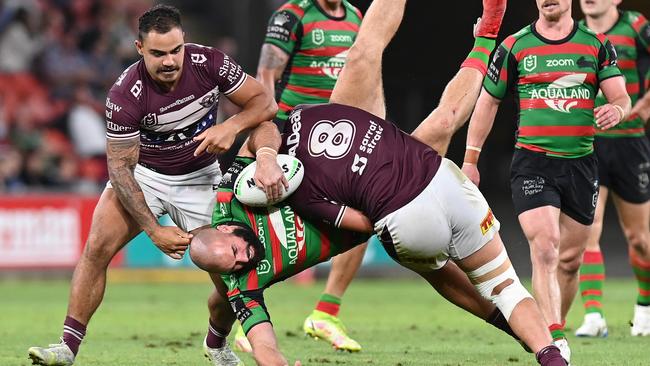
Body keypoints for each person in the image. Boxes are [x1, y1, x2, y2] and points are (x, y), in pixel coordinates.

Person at [192, 0, 568, 365]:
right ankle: (226, 340)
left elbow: (263, 128)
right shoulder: (249, 273)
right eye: (236, 264)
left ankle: (486, 36)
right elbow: (266, 348)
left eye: (237, 250)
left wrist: (267, 158)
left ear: (227, 228)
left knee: (423, 104)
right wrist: (388, 209)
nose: (245, 257)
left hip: (327, 128)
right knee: (223, 298)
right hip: (378, 202)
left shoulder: (232, 194)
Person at [27, 5, 279, 366]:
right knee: (96, 247)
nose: (169, 61)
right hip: (144, 176)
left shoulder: (210, 63)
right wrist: (154, 229)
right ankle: (67, 347)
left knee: (232, 274)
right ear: (139, 48)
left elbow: (264, 103)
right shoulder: (125, 95)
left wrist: (231, 126)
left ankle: (216, 343)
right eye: (158, 53)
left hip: (200, 176)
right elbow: (120, 171)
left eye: (175, 50)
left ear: (184, 43)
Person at [461, 0, 631, 363]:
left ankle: (557, 325)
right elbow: (488, 103)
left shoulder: (596, 44)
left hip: (581, 166)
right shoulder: (514, 47)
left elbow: (621, 97)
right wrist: (470, 159)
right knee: (546, 247)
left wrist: (615, 110)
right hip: (532, 163)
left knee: (569, 260)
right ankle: (552, 339)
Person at [231, 0, 366, 353]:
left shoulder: (354, 15)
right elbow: (266, 75)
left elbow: (360, 72)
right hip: (293, 132)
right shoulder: (293, 14)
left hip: (338, 136)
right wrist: (269, 128)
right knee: (275, 229)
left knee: (366, 215)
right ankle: (251, 323)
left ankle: (326, 312)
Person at [574, 0, 650, 338]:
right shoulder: (573, 34)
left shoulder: (636, 26)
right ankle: (593, 316)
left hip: (630, 144)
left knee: (640, 239)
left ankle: (645, 306)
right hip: (589, 144)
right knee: (589, 229)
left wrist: (645, 105)